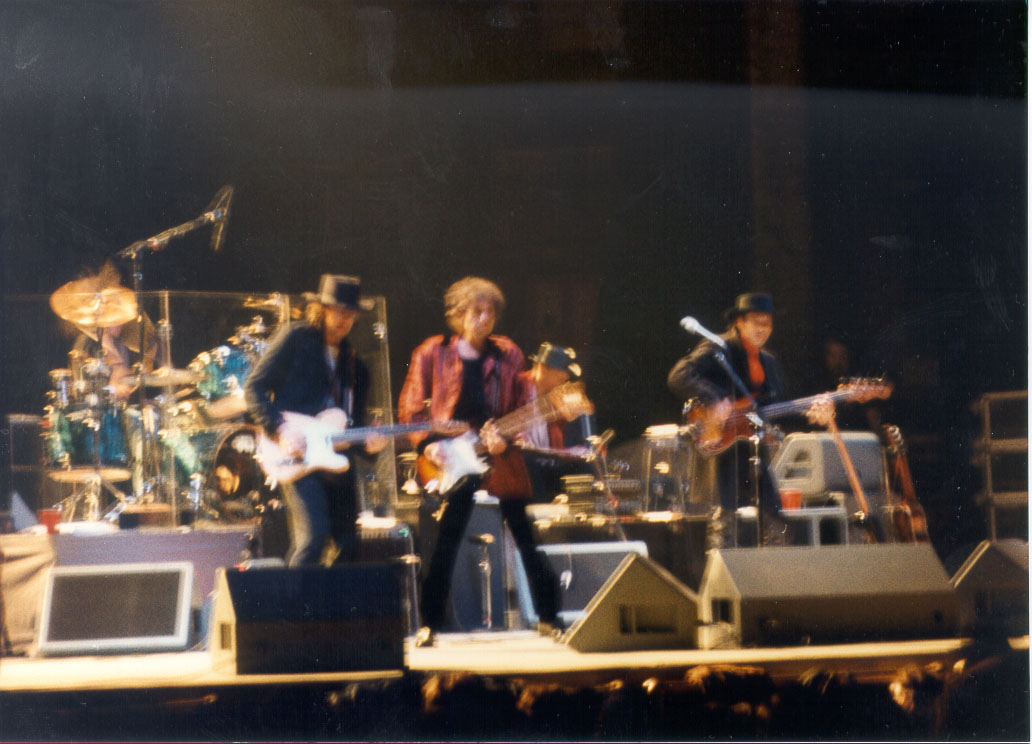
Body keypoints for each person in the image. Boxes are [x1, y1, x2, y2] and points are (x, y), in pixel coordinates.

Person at [398, 276, 559, 646]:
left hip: (497, 452)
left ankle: (550, 618)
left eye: (490, 312)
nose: (484, 318)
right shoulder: (433, 351)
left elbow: (521, 408)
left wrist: (506, 440)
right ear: (458, 314)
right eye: (476, 311)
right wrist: (428, 445)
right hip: (453, 456)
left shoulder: (508, 354)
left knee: (525, 536)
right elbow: (410, 408)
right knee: (446, 541)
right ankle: (430, 624)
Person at [244, 274, 386, 566]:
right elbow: (254, 388)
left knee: (348, 546)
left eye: (351, 313)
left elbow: (354, 426)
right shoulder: (296, 338)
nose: (345, 319)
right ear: (322, 309)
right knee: (313, 538)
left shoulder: (356, 366)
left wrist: (371, 446)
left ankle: (330, 598)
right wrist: (281, 429)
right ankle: (294, 597)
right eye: (339, 311)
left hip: (336, 461)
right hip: (296, 453)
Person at [667, 292, 830, 547]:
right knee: (724, 526)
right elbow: (679, 374)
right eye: (756, 322)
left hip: (751, 447)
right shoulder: (719, 347)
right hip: (719, 447)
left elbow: (776, 407)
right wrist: (715, 399)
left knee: (776, 523)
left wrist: (809, 413)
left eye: (768, 323)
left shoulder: (768, 361)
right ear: (739, 322)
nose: (763, 329)